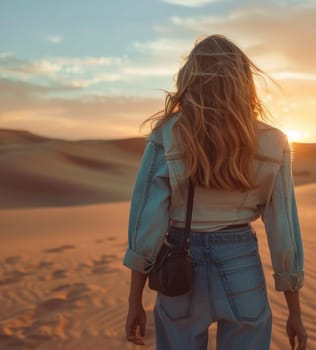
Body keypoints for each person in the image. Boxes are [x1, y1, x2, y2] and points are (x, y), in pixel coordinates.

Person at [123, 34, 306, 350]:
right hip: (241, 264)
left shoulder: (167, 134)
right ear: (244, 82)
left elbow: (146, 223)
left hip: (180, 263)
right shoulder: (273, 141)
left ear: (189, 79)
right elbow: (283, 230)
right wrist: (295, 311)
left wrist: (135, 300)